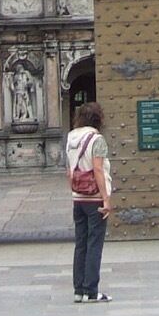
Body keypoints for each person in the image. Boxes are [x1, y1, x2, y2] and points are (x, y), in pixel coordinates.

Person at [65, 100, 114, 303]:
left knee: (81, 244)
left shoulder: (70, 137)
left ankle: (79, 290)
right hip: (94, 198)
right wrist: (106, 199)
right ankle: (91, 291)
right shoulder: (97, 139)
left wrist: (75, 189)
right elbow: (98, 170)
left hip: (78, 198)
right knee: (95, 244)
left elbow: (69, 169)